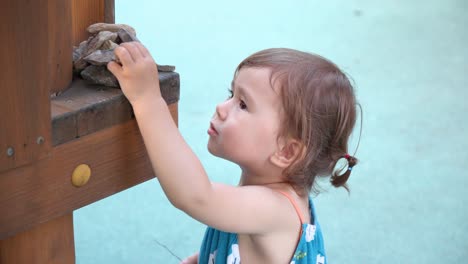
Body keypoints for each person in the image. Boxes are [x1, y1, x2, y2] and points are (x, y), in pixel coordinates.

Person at [108, 42, 359, 264]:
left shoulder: (275, 209)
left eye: (243, 104)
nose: (221, 107)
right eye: (231, 94)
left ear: (286, 151)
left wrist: (148, 100)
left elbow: (195, 196)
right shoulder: (265, 195)